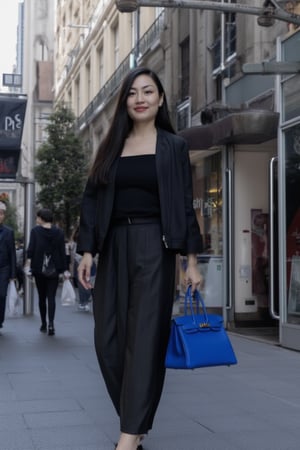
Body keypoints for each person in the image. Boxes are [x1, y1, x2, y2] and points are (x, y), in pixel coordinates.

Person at [77, 67, 203, 450]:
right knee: (107, 340)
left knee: (145, 338)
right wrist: (87, 251)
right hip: (113, 245)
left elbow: (184, 204)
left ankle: (128, 438)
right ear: (125, 102)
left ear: (160, 99)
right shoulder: (112, 146)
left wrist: (191, 261)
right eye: (133, 93)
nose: (140, 98)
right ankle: (135, 418)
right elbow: (93, 201)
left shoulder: (173, 146)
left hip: (155, 245)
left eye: (148, 91)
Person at [24, 208, 69, 336]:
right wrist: (65, 270)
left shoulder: (35, 231)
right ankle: (51, 324)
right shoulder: (59, 232)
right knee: (51, 297)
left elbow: (31, 250)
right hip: (54, 269)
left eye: (37, 217)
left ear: (41, 218)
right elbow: (62, 251)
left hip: (39, 269)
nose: (36, 219)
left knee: (42, 297)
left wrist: (28, 265)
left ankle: (43, 323)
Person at [0, 201, 17, 333]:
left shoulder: (9, 232)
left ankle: (0, 320)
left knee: (2, 295)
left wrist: (13, 274)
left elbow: (12, 253)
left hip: (4, 268)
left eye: (1, 214)